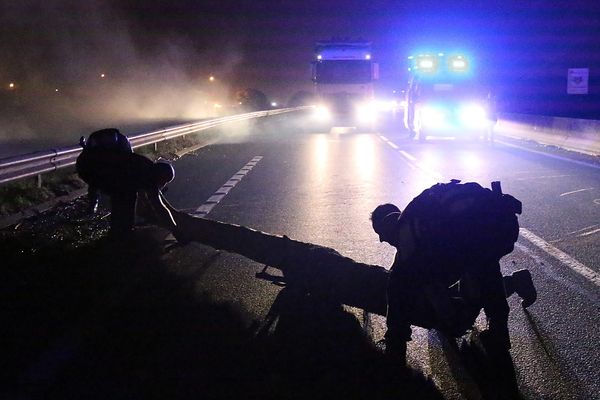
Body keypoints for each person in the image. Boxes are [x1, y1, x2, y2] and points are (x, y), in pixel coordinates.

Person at [371, 202, 536, 365]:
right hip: (488, 238)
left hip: (470, 254)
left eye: (380, 233)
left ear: (388, 227)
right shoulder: (419, 223)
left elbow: (423, 283)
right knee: (479, 286)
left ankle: (507, 298)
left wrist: (450, 319)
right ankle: (513, 286)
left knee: (468, 303)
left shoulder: (412, 244)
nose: (381, 239)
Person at [76, 128, 177, 237]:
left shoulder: (142, 163)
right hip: (93, 171)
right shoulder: (148, 176)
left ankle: (117, 229)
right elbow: (158, 206)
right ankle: (120, 236)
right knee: (126, 196)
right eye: (164, 181)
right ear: (160, 176)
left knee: (124, 194)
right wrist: (176, 230)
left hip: (85, 165)